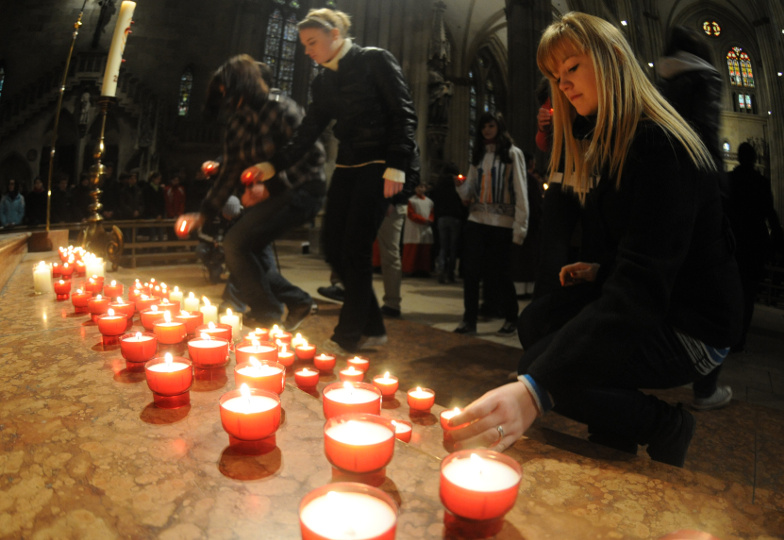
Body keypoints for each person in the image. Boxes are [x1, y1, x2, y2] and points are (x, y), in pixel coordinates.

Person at [445, 12, 742, 468]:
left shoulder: (660, 144)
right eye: (555, 76)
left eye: (572, 68)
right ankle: (614, 433)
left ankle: (664, 424)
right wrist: (601, 269)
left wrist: (535, 393)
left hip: (691, 323)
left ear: (610, 60)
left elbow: (643, 289)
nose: (562, 85)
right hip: (662, 298)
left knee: (540, 367)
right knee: (537, 325)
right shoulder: (617, 135)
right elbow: (649, 247)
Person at [244, 8, 419, 353]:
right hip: (349, 165)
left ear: (335, 34)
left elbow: (403, 111)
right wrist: (271, 165)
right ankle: (373, 327)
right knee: (332, 246)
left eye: (312, 42)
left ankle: (348, 334)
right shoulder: (323, 80)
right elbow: (309, 130)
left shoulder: (374, 60)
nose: (307, 50)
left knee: (354, 248)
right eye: (304, 44)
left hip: (382, 164)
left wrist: (398, 164)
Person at [176, 54, 326, 330]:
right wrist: (203, 214)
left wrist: (270, 188)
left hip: (303, 189)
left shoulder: (283, 109)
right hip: (272, 194)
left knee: (235, 243)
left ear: (244, 86)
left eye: (229, 93)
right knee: (244, 252)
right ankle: (296, 302)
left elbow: (314, 157)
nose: (228, 102)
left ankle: (268, 313)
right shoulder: (236, 123)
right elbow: (229, 172)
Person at [657, 25, 731, 411]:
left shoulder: (663, 85)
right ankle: (704, 386)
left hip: (666, 186)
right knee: (712, 284)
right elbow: (708, 141)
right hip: (702, 190)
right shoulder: (706, 79)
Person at [453, 111, 528, 337]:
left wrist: (520, 227)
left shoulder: (513, 154)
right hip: (476, 220)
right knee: (471, 273)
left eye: (491, 126)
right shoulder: (478, 155)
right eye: (484, 126)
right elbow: (469, 191)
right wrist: (460, 187)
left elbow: (520, 191)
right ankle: (469, 320)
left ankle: (512, 318)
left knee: (501, 274)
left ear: (499, 127)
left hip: (502, 223)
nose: (487, 130)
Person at [728, 142, 784, 352]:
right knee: (748, 294)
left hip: (732, 244)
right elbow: (770, 213)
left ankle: (729, 332)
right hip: (753, 245)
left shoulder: (730, 180)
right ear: (753, 159)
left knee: (732, 290)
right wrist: (777, 240)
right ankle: (740, 337)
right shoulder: (760, 182)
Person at [430, 162, 467, 284]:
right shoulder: (458, 182)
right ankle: (450, 274)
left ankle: (441, 271)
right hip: (455, 217)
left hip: (441, 217)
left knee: (443, 247)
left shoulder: (439, 184)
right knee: (453, 248)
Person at [401, 183, 434, 275]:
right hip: (413, 228)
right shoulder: (411, 200)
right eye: (418, 187)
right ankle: (409, 270)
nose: (420, 189)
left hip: (425, 228)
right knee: (412, 250)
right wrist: (424, 220)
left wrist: (430, 219)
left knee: (424, 250)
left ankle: (423, 270)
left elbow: (432, 213)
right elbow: (411, 214)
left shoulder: (430, 202)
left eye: (422, 187)